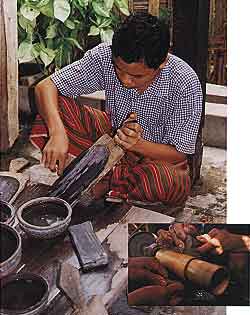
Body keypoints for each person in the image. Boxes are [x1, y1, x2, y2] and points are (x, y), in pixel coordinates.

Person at [30, 12, 203, 205]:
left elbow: (180, 153)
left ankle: (103, 180)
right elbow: (46, 86)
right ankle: (107, 178)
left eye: (137, 76)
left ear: (162, 63)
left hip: (157, 159)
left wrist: (136, 144)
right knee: (57, 108)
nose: (125, 80)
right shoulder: (105, 56)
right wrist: (57, 133)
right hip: (113, 141)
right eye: (119, 70)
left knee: (163, 181)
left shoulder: (185, 82)